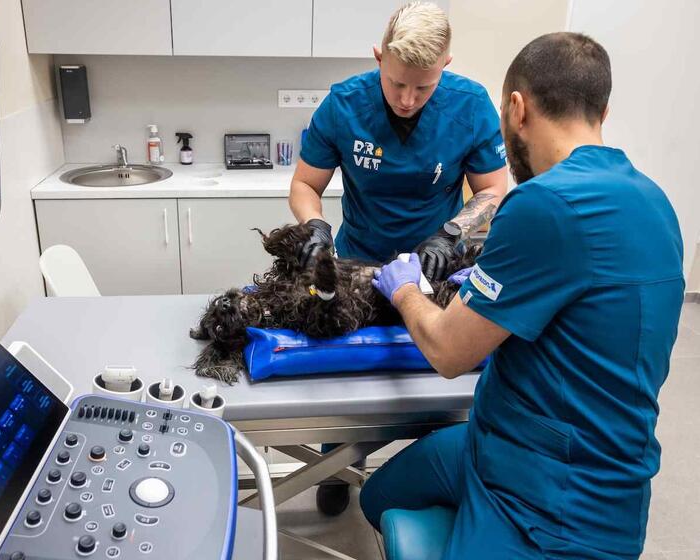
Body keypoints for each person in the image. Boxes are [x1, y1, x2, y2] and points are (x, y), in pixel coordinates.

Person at [364, 32, 684, 559]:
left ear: (516, 108)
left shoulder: (542, 203)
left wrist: (405, 290)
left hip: (550, 499)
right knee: (378, 494)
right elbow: (585, 296)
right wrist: (496, 284)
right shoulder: (656, 203)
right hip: (511, 443)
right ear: (602, 111)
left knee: (389, 503)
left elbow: (447, 352)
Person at [290, 1, 508, 514]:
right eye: (396, 83)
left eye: (423, 88)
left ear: (445, 67)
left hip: (435, 266)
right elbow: (305, 184)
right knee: (348, 377)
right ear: (378, 58)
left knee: (433, 372)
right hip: (359, 261)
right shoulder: (344, 104)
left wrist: (452, 233)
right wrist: (314, 225)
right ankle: (337, 467)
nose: (408, 99)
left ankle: (429, 472)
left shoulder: (470, 106)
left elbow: (494, 189)